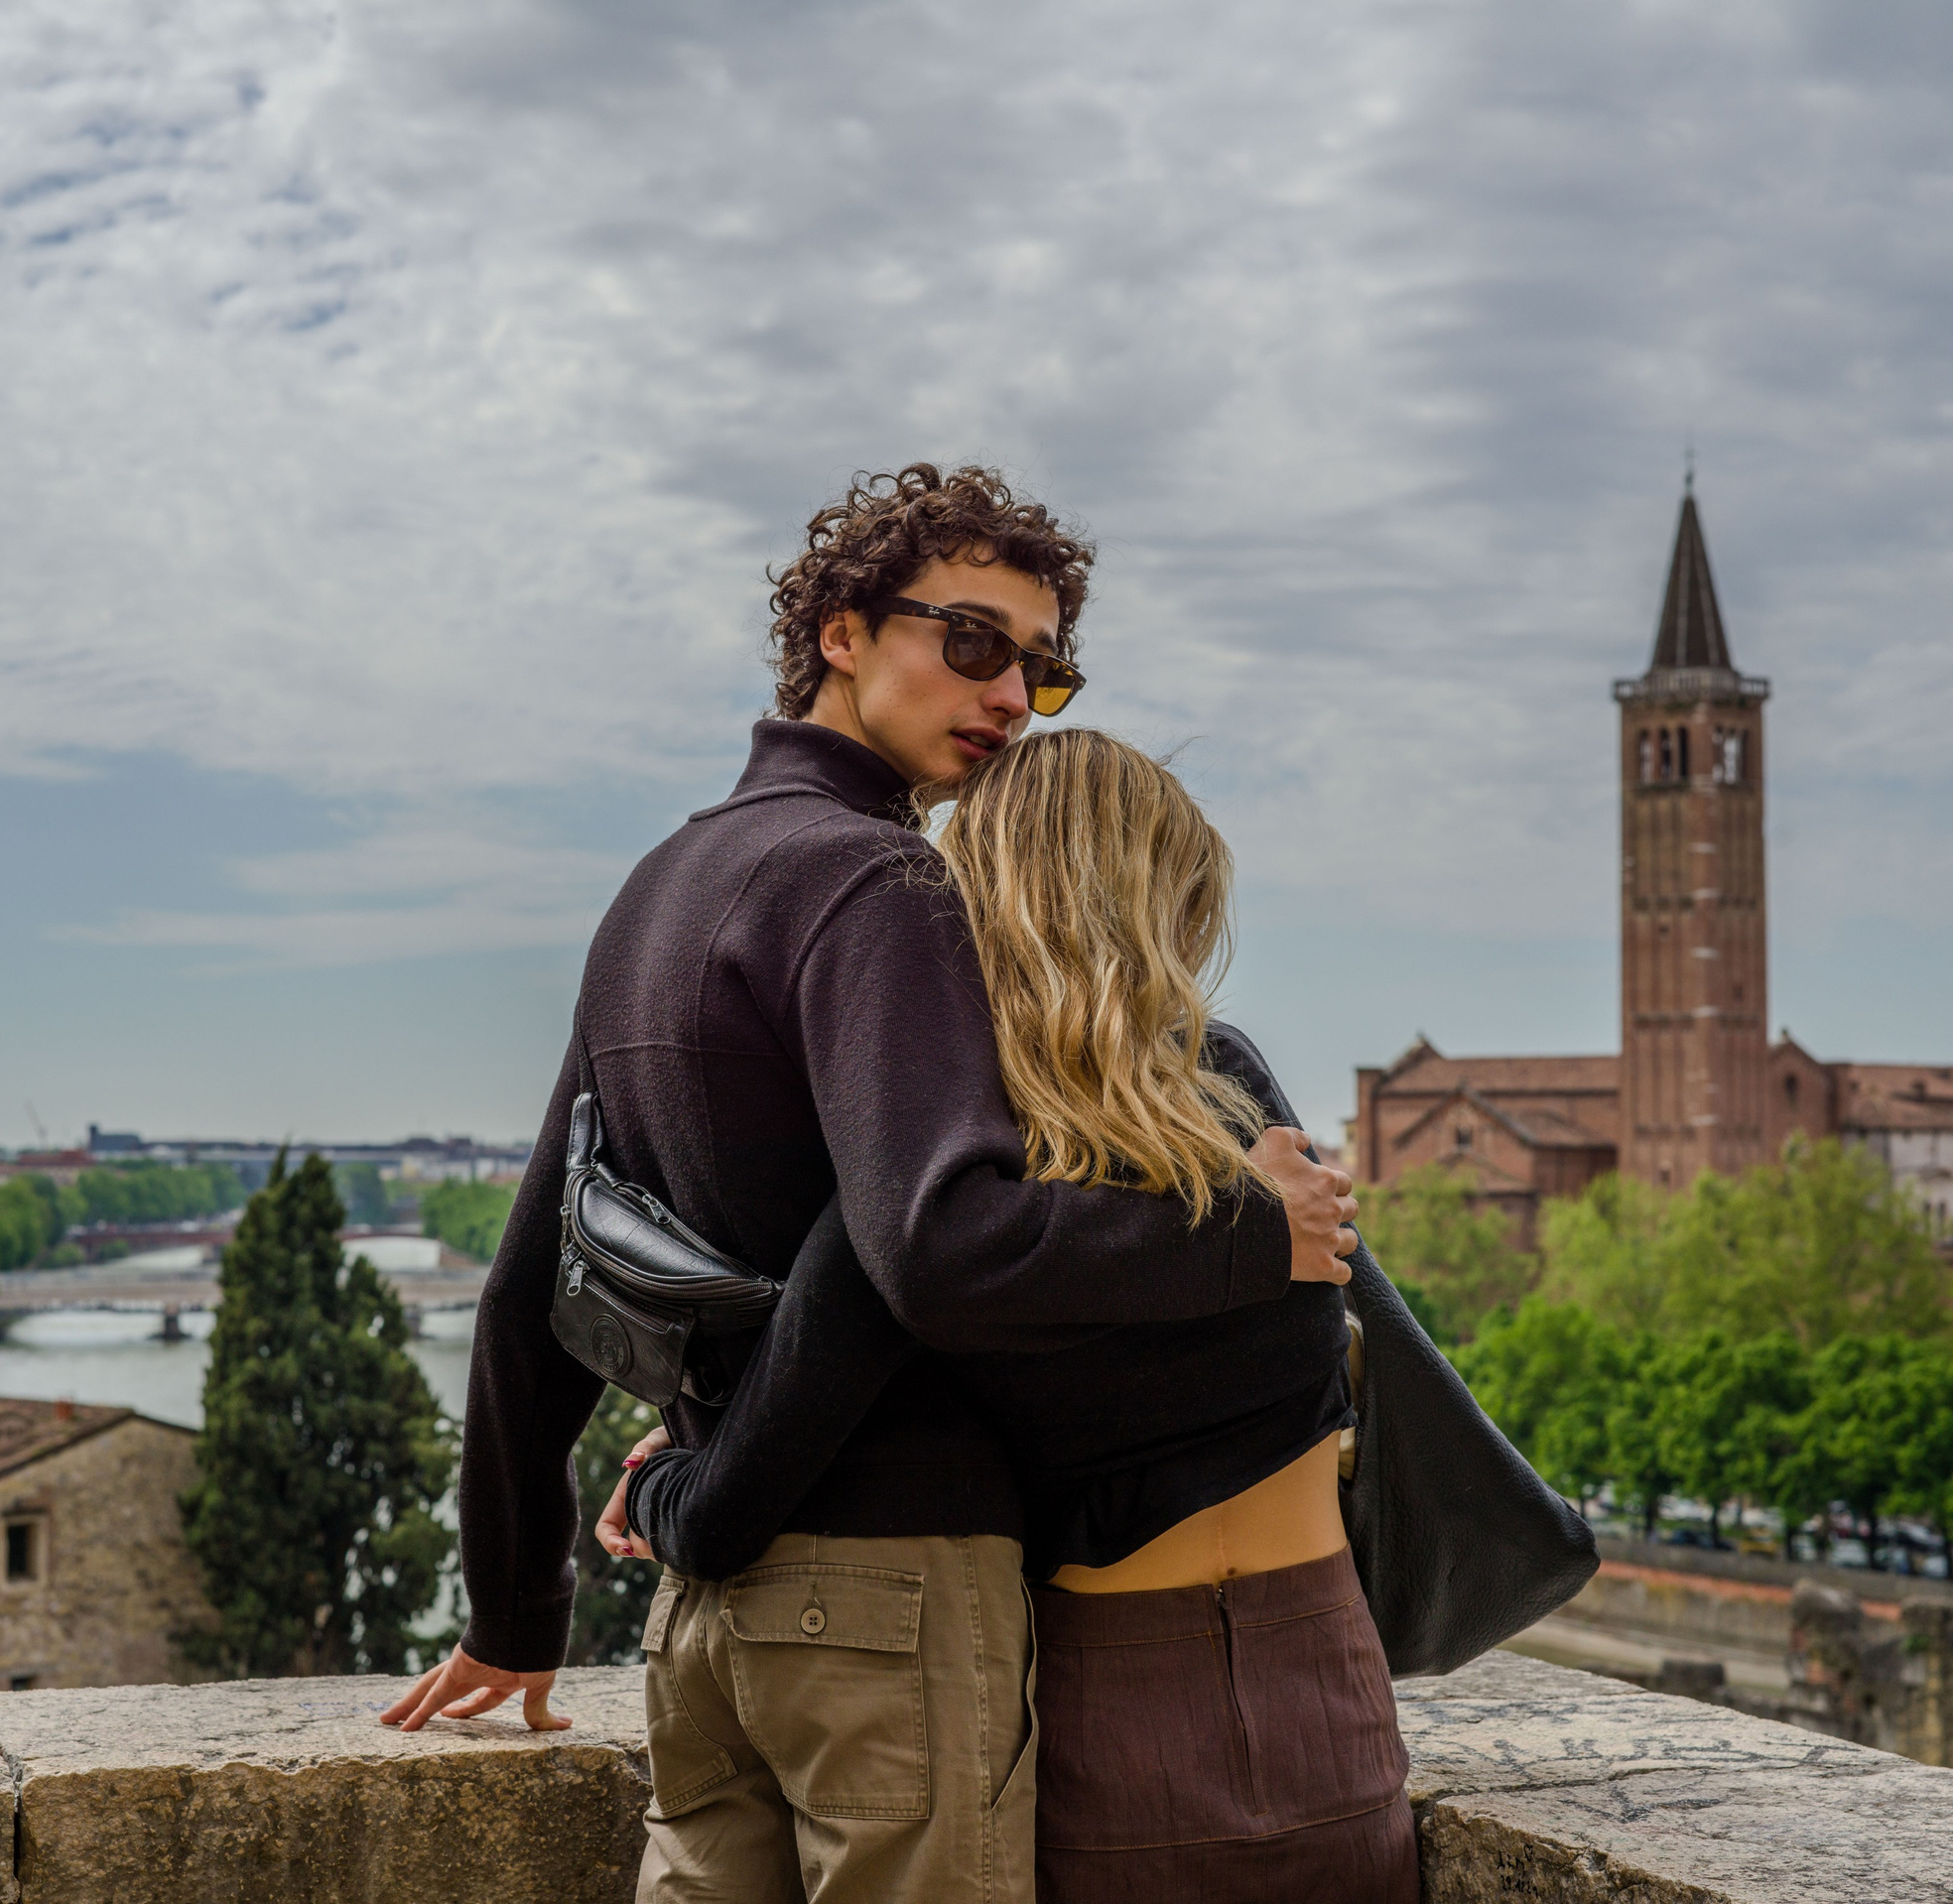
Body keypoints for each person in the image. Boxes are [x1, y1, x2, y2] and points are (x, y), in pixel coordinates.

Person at [378, 465, 1361, 1904]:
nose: (1014, 694)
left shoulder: (661, 885)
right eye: (972, 642)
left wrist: (521, 1604)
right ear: (842, 630)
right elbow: (938, 1243)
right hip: (889, 1591)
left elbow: (532, 1294)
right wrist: (1251, 1235)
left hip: (711, 1623)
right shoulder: (880, 886)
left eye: (1043, 666)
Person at [605, 729, 1417, 1902]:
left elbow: (777, 1452)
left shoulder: (953, 1167)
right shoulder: (1236, 1098)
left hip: (1109, 1699)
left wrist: (673, 1474)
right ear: (1162, 899)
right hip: (1328, 1672)